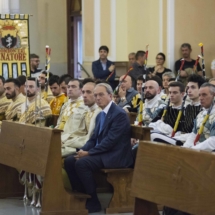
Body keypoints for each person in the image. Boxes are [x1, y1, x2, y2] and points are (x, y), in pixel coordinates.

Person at [64, 83, 133, 213]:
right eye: (95, 95)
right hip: (104, 152)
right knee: (70, 160)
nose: (97, 98)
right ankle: (82, 194)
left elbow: (110, 141)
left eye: (101, 94)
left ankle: (93, 200)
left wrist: (89, 153)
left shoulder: (119, 114)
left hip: (116, 156)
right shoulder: (101, 114)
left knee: (82, 164)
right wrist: (81, 151)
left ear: (110, 96)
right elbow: (93, 138)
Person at [150, 75, 204, 145]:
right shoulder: (188, 107)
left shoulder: (202, 109)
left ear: (201, 89)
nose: (189, 91)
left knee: (153, 136)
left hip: (191, 142)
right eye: (188, 88)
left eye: (193, 87)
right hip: (180, 137)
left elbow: (196, 133)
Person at [61, 80, 101, 157]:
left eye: (89, 92)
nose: (84, 95)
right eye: (83, 92)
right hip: (78, 141)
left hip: (89, 146)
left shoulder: (99, 112)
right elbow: (76, 131)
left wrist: (66, 142)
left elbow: (90, 137)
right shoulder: (82, 109)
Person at [183, 83, 215, 151]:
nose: (200, 98)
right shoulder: (200, 114)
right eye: (199, 95)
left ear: (213, 96)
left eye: (204, 95)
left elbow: (213, 141)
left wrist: (193, 149)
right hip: (198, 151)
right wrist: (185, 148)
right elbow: (193, 134)